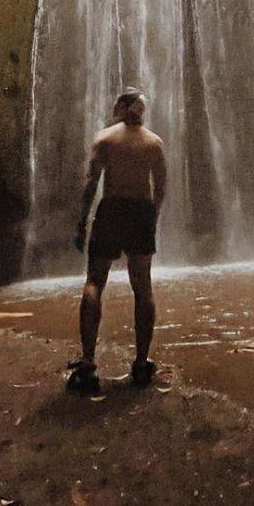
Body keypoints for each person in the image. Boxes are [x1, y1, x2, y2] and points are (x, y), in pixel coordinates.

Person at [67, 87, 167, 394]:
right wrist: (153, 217)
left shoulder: (105, 138)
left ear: (122, 107)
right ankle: (141, 362)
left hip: (111, 210)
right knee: (142, 285)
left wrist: (82, 222)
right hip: (141, 211)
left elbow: (90, 183)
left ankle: (88, 364)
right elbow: (159, 188)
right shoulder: (154, 143)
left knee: (95, 280)